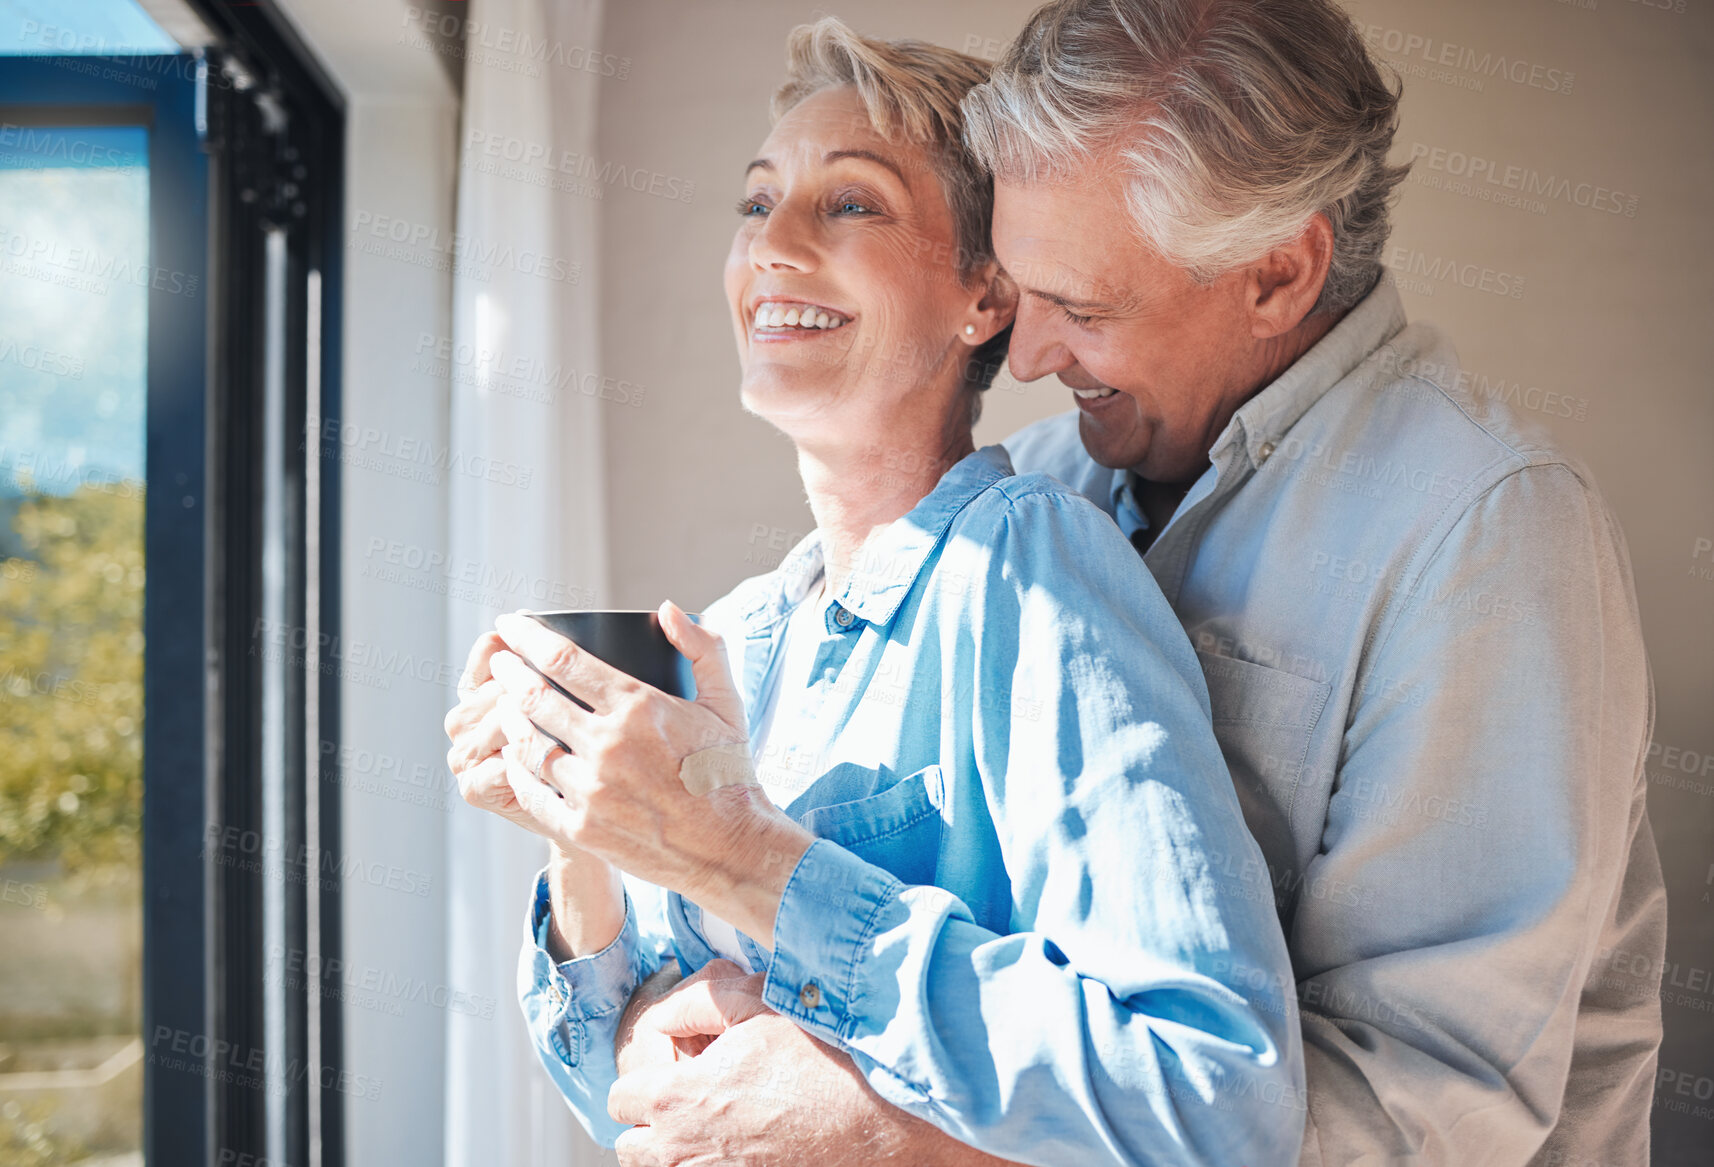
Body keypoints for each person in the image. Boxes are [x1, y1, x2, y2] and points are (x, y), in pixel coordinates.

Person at [598, 1, 1667, 1165]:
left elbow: (1436, 1108)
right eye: (1020, 287)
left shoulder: (1484, 531)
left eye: (1085, 307)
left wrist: (899, 1141)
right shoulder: (1039, 494)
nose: (1035, 354)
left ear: (1277, 270)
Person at [445, 18, 1304, 1167]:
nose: (774, 248)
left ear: (983, 297)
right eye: (756, 205)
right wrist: (579, 839)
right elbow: (631, 1110)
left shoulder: (1032, 572)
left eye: (849, 204)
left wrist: (738, 855)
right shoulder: (740, 633)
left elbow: (1211, 1100)